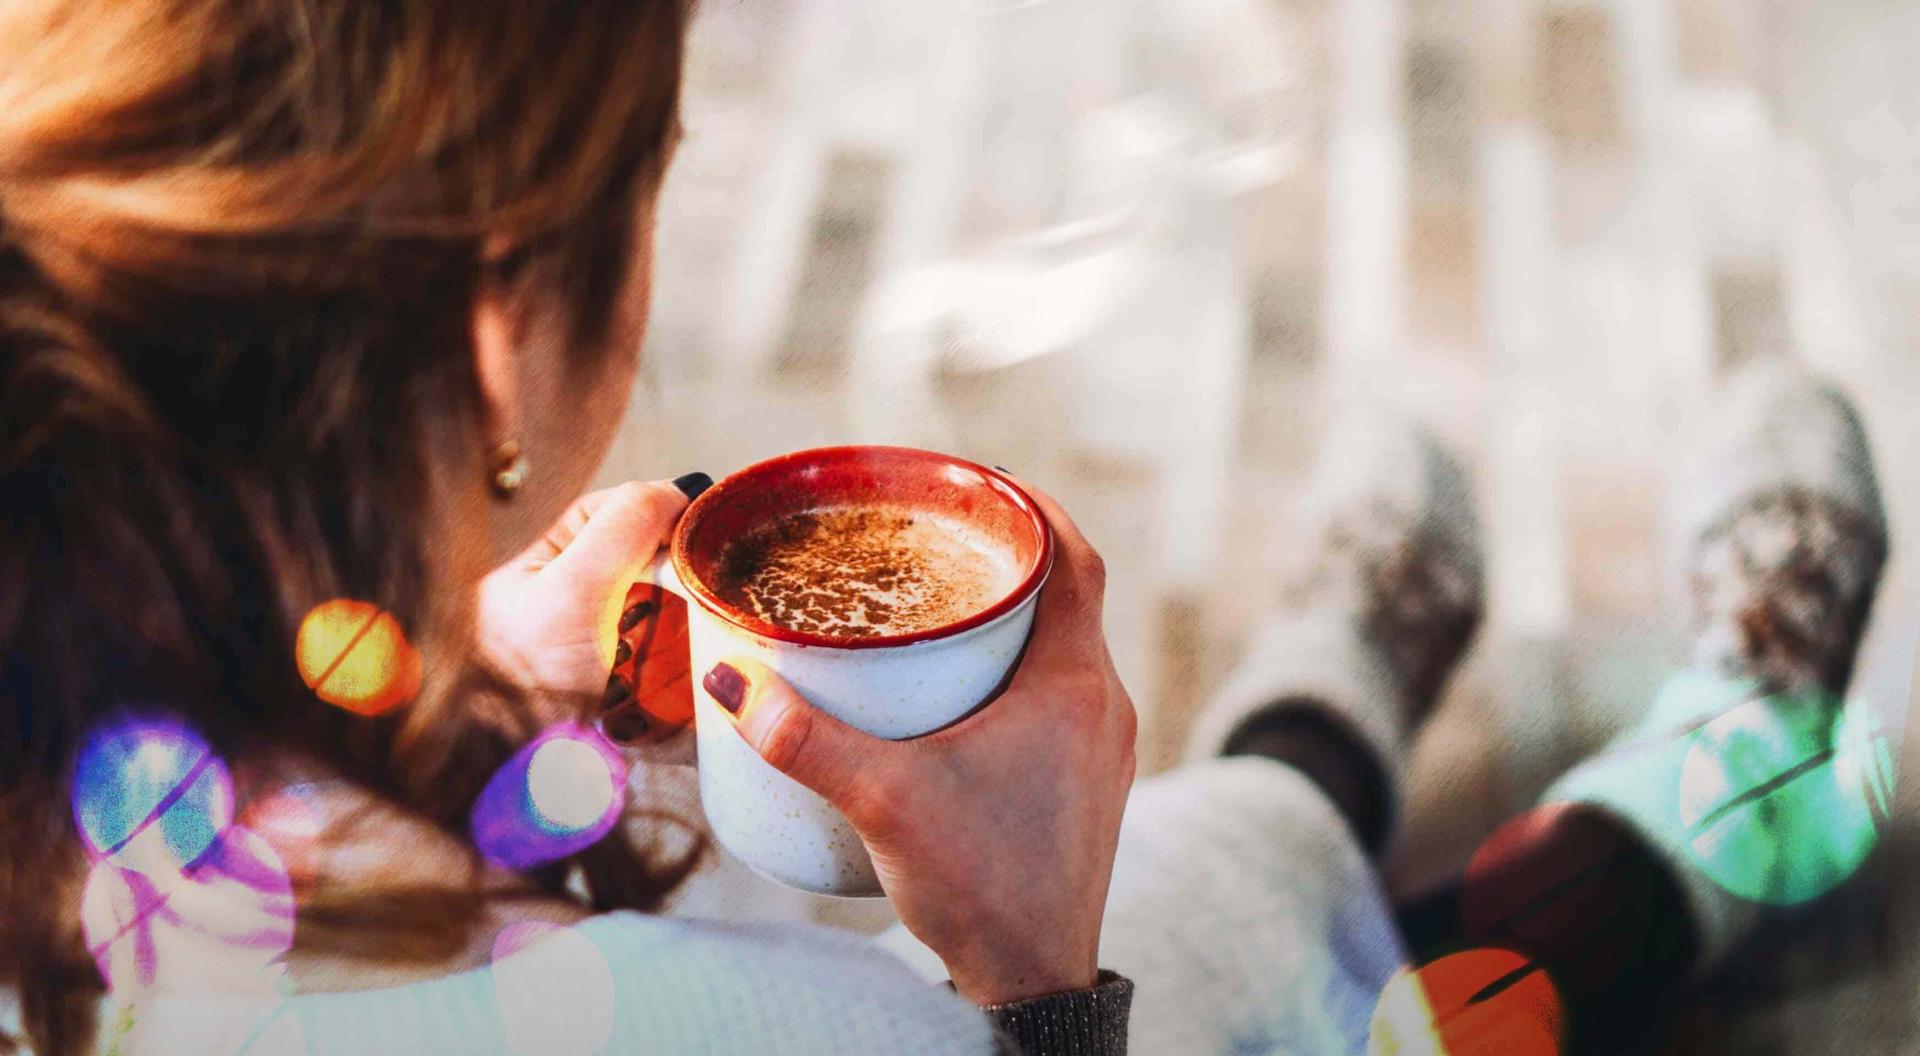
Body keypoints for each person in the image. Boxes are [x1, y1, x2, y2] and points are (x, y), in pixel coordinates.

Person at [0, 3, 1134, 1053]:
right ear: (499, 343)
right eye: (650, 192)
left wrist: (459, 706)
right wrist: (1033, 980)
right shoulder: (787, 1023)